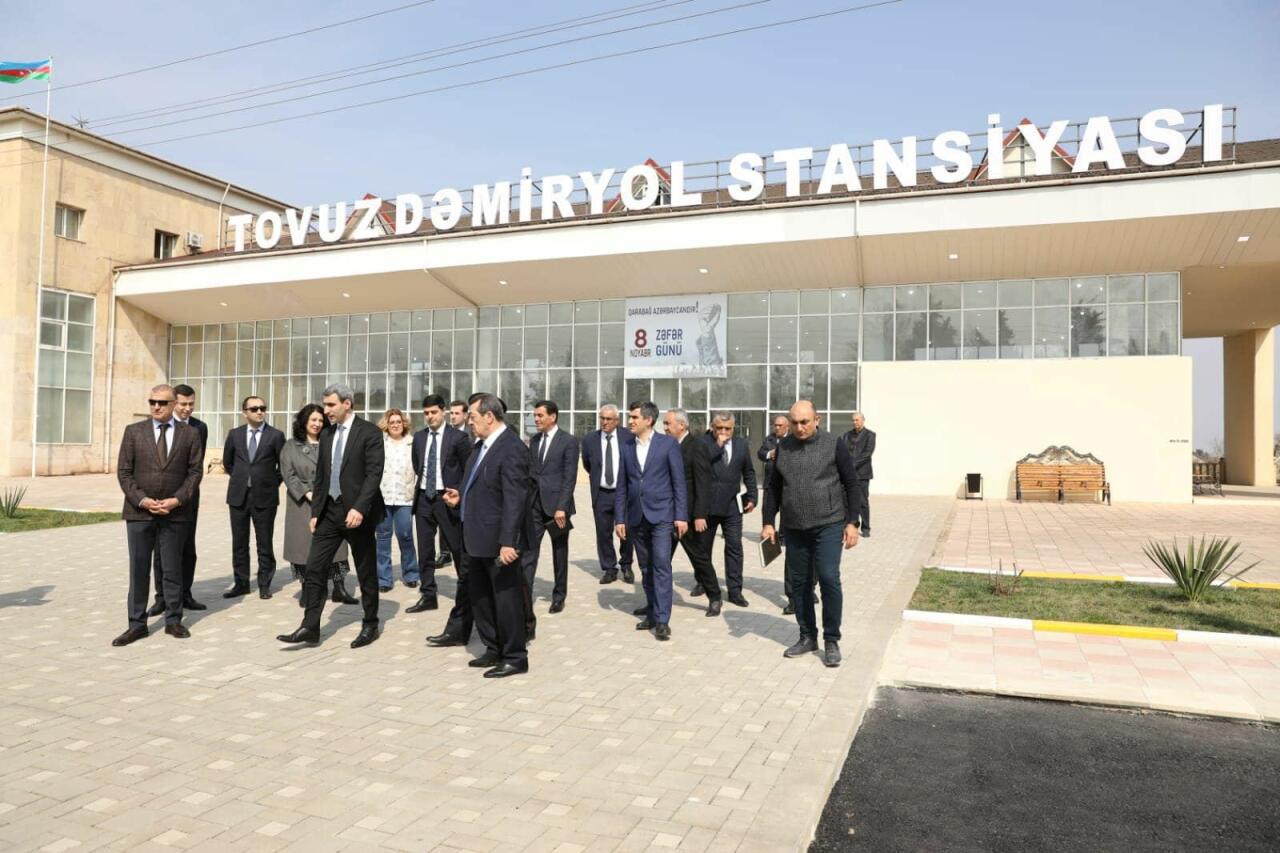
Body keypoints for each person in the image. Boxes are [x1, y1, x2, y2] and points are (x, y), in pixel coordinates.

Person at [277, 384, 385, 649]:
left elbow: (374, 474)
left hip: (357, 513)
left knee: (365, 570)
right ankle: (310, 627)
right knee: (315, 567)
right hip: (329, 512)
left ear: (347, 404)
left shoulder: (369, 432)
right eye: (324, 405)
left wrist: (359, 508)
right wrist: (316, 512)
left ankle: (370, 623)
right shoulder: (327, 434)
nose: (326, 411)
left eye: (331, 405)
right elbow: (322, 477)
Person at [761, 401, 861, 668]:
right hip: (795, 527)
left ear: (817, 420)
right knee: (800, 584)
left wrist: (853, 522)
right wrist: (768, 522)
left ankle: (831, 639)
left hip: (829, 523)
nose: (799, 427)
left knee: (828, 578)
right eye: (794, 422)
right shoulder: (783, 448)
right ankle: (807, 636)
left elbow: (852, 484)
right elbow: (773, 489)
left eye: (804, 422)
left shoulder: (833, 444)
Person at [440, 394, 530, 678]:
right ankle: (493, 648)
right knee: (481, 598)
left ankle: (515, 657)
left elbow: (515, 500)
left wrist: (508, 542)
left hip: (498, 542)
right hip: (475, 538)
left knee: (505, 600)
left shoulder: (511, 448)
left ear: (489, 417)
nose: (470, 423)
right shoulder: (480, 447)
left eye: (474, 417)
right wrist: (460, 498)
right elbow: (481, 486)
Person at [112, 385, 204, 646]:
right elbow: (124, 472)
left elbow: (195, 473)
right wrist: (142, 500)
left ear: (174, 404)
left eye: (162, 402)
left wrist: (177, 500)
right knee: (139, 569)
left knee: (172, 568)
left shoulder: (190, 434)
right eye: (152, 401)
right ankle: (136, 624)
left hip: (175, 513)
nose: (156, 406)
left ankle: (173, 620)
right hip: (139, 513)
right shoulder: (134, 432)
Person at [614, 401, 687, 641]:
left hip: (662, 515)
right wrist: (620, 518)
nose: (630, 421)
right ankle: (653, 613)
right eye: (630, 417)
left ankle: (663, 620)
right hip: (636, 516)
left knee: (662, 564)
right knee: (645, 567)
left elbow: (679, 482)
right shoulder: (626, 447)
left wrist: (681, 516)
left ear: (648, 420)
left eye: (635, 417)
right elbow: (622, 485)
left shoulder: (668, 444)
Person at [279, 404, 357, 606]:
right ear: (304, 421)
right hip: (302, 504)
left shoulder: (331, 441)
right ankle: (309, 589)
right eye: (313, 419)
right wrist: (308, 493)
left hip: (330, 500)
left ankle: (339, 587)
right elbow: (288, 474)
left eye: (321, 420)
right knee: (304, 548)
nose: (317, 424)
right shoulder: (291, 445)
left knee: (337, 545)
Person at [147, 383, 208, 616]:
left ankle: (185, 594)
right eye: (183, 404)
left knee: (187, 547)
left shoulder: (199, 428)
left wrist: (184, 494)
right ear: (173, 403)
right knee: (161, 549)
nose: (187, 409)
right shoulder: (157, 426)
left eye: (191, 404)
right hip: (161, 497)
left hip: (188, 497)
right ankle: (162, 597)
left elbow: (196, 466)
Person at [521, 400, 579, 638]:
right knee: (528, 551)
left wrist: (562, 507)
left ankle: (559, 596)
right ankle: (524, 594)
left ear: (553, 417)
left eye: (540, 415)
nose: (536, 419)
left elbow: (570, 477)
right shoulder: (534, 441)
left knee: (559, 552)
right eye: (534, 415)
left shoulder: (568, 441)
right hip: (534, 506)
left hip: (557, 508)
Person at [411, 394, 469, 618]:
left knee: (457, 548)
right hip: (424, 499)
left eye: (433, 412)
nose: (429, 416)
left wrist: (459, 494)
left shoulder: (458, 438)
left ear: (443, 411)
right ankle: (428, 595)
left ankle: (467, 594)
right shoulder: (419, 437)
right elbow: (418, 465)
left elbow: (467, 469)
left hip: (447, 499)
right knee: (425, 550)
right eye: (426, 413)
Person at [221, 396, 285, 600]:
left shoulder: (276, 435)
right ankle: (241, 583)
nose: (259, 412)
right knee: (239, 542)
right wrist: (242, 479)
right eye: (254, 408)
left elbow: (283, 466)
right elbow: (228, 462)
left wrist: (269, 483)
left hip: (265, 497)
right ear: (245, 413)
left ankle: (264, 584)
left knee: (264, 542)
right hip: (238, 496)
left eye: (262, 408)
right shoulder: (235, 434)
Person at [662, 408, 721, 617]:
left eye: (668, 423)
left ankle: (715, 597)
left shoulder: (697, 446)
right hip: (666, 514)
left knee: (699, 558)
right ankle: (655, 601)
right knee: (660, 560)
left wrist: (700, 515)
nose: (665, 427)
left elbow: (703, 483)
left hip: (688, 516)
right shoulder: (665, 445)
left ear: (682, 425)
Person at [702, 411, 758, 608]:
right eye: (719, 428)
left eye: (728, 428)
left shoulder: (741, 444)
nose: (723, 432)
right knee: (703, 549)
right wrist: (717, 445)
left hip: (733, 506)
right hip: (707, 506)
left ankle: (735, 590)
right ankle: (703, 582)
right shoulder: (703, 443)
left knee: (734, 547)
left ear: (734, 428)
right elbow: (701, 465)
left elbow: (749, 472)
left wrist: (752, 496)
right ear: (712, 427)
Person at [581, 404, 634, 585]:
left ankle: (626, 564)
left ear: (617, 420)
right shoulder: (590, 439)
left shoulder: (628, 437)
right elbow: (588, 464)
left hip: (623, 493)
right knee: (603, 533)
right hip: (602, 493)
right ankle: (609, 568)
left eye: (608, 419)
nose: (604, 422)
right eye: (602, 418)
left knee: (626, 530)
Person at [375, 408, 419, 593]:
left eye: (398, 422)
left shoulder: (412, 443)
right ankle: (384, 579)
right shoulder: (380, 444)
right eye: (392, 422)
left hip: (404, 498)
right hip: (383, 497)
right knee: (383, 538)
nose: (395, 425)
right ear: (387, 424)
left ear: (404, 424)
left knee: (406, 535)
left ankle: (411, 574)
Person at [758, 414, 798, 613]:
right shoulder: (772, 441)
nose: (777, 428)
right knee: (793, 556)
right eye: (776, 425)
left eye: (781, 425)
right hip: (774, 485)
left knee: (816, 561)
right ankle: (793, 598)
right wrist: (768, 522)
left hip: (812, 512)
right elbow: (761, 453)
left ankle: (810, 588)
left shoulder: (822, 446)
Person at [843, 412, 876, 538]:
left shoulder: (870, 435)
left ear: (863, 420)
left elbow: (867, 453)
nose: (854, 422)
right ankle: (852, 525)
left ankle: (866, 527)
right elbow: (843, 451)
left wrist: (852, 464)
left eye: (857, 420)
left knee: (863, 502)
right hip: (849, 474)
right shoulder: (847, 435)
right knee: (848, 501)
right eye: (853, 420)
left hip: (862, 474)